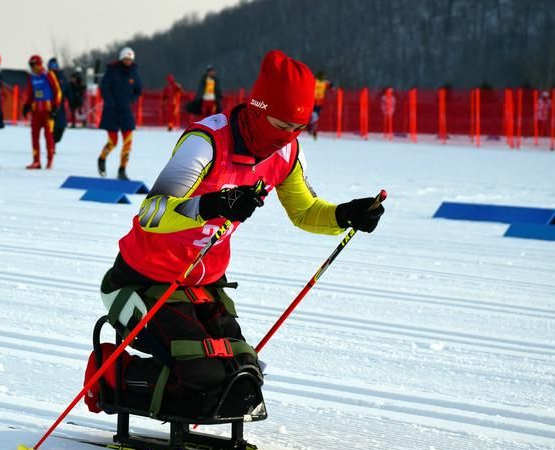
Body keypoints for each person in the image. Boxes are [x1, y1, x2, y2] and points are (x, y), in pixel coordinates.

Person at [84, 50, 385, 419]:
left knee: (244, 376)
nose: (286, 137)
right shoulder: (206, 142)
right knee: (202, 375)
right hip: (141, 280)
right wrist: (210, 206)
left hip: (203, 283)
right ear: (258, 109)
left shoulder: (287, 152)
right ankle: (111, 375)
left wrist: (345, 215)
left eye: (297, 129)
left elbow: (305, 212)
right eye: (280, 124)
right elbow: (151, 213)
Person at [97, 46, 142, 180]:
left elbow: (138, 90)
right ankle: (102, 158)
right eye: (126, 59)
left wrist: (131, 100)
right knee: (113, 142)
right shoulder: (112, 71)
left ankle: (122, 169)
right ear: (122, 58)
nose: (128, 61)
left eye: (130, 59)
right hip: (111, 111)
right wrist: (110, 102)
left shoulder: (134, 73)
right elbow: (104, 87)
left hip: (126, 112)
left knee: (128, 142)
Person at [22, 54, 62, 170]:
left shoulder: (48, 75)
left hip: (48, 111)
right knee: (34, 136)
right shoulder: (32, 78)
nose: (32, 68)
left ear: (39, 64)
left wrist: (55, 107)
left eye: (34, 65)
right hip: (36, 112)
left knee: (48, 136)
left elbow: (57, 92)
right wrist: (27, 105)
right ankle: (36, 161)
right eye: (31, 66)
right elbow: (30, 94)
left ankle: (50, 160)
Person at [48, 57, 70, 144]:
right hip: (49, 106)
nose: (53, 67)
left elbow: (67, 90)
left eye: (55, 65)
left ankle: (53, 142)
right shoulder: (46, 77)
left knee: (61, 127)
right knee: (50, 128)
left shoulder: (62, 77)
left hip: (60, 107)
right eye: (52, 65)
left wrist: (71, 100)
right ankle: (51, 146)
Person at [309, 70, 332, 139]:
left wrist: (332, 88)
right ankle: (312, 128)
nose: (323, 78)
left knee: (315, 116)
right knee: (313, 116)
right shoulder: (315, 81)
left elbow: (331, 84)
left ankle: (312, 127)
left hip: (319, 102)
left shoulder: (324, 82)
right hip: (313, 101)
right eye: (322, 76)